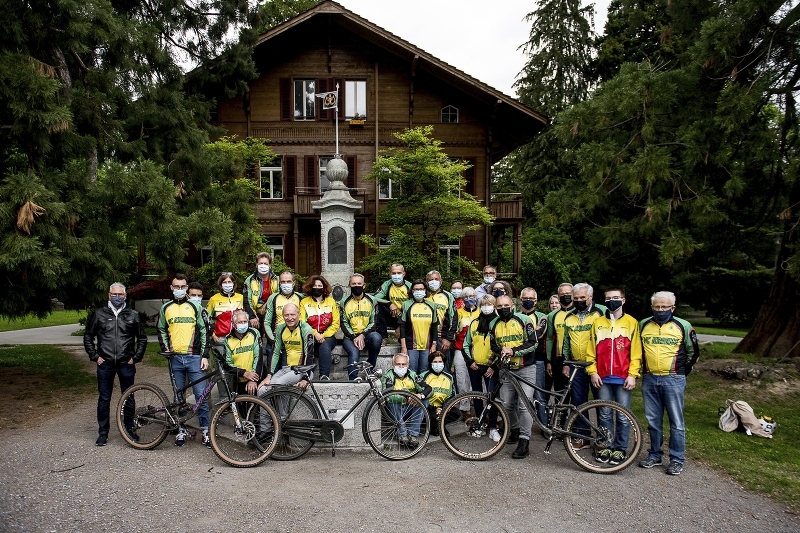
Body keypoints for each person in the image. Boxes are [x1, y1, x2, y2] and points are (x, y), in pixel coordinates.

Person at [638, 291, 699, 475]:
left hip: (673, 379)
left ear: (672, 307)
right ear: (652, 307)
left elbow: (693, 352)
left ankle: (676, 458)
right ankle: (655, 454)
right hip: (650, 378)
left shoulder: (683, 325)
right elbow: (638, 350)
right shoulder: (643, 324)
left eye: (664, 307)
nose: (660, 310)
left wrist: (682, 372)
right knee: (653, 420)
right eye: (657, 307)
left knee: (676, 421)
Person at [84, 282, 147, 446]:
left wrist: (136, 357)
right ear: (109, 295)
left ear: (125, 296)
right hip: (105, 363)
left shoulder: (132, 315)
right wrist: (95, 356)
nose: (117, 297)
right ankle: (103, 433)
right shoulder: (99, 314)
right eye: (114, 294)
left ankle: (128, 430)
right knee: (104, 398)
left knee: (128, 397)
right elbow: (88, 336)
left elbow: (142, 338)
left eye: (120, 295)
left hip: (126, 363)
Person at [585, 287, 642, 465]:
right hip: (602, 378)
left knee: (623, 416)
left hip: (623, 377)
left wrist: (633, 375)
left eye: (616, 298)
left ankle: (620, 448)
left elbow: (636, 352)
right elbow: (590, 350)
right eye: (608, 298)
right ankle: (606, 445)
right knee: (604, 414)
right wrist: (592, 372)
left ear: (623, 300)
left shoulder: (632, 323)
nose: (612, 301)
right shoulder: (598, 322)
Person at [157, 274, 211, 448]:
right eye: (176, 287)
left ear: (187, 288)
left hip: (194, 357)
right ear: (172, 288)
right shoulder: (166, 308)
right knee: (178, 398)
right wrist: (166, 349)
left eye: (183, 287)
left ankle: (205, 431)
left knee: (200, 397)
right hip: (176, 359)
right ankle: (181, 430)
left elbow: (204, 332)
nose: (180, 290)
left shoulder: (194, 307)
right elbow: (161, 330)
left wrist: (205, 355)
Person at [561, 283, 608, 449]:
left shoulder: (602, 312)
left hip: (597, 366)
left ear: (590, 297)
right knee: (579, 403)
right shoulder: (569, 317)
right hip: (577, 366)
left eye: (582, 298)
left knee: (601, 402)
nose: (579, 300)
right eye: (576, 298)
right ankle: (583, 436)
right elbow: (566, 342)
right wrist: (567, 363)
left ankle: (603, 438)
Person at [491, 294, 537, 459]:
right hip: (507, 370)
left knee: (524, 406)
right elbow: (493, 345)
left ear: (512, 305)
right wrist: (500, 351)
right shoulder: (493, 323)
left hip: (526, 368)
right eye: (499, 306)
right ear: (496, 308)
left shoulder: (524, 319)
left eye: (506, 305)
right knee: (507, 404)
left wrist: (513, 351)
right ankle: (516, 430)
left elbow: (533, 342)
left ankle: (524, 441)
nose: (503, 309)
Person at [462, 294, 500, 441]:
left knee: (492, 397)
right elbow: (466, 344)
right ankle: (479, 425)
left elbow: (502, 346)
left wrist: (495, 366)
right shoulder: (474, 323)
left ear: (494, 305)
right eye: (483, 304)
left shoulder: (498, 323)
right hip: (475, 366)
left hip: (491, 367)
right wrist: (470, 361)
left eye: (489, 303)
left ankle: (492, 427)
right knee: (477, 397)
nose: (486, 306)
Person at [257, 303, 316, 391]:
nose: (290, 318)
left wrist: (305, 378)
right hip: (286, 369)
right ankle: (268, 405)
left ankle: (282, 405)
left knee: (278, 386)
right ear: (283, 316)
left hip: (302, 370)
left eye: (292, 314)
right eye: (286, 315)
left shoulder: (306, 329)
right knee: (262, 389)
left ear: (299, 315)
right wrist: (269, 375)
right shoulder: (280, 329)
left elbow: (309, 354)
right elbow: (275, 353)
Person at [380, 353, 431, 447]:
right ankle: (402, 435)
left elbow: (429, 389)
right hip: (394, 411)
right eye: (398, 364)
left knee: (424, 401)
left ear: (408, 365)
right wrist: (407, 397)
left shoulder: (413, 375)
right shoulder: (388, 377)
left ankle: (413, 435)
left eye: (403, 364)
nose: (401, 366)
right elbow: (387, 395)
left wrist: (420, 396)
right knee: (393, 402)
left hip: (409, 409)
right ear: (393, 365)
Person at [339, 274, 383, 380]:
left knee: (377, 337)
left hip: (367, 335)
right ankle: (353, 378)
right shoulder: (343, 302)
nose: (356, 286)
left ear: (364, 285)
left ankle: (369, 368)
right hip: (350, 337)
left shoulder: (372, 300)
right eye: (354, 284)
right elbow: (343, 323)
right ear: (349, 285)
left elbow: (375, 322)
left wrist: (363, 335)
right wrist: (354, 337)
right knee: (354, 352)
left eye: (359, 283)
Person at [299, 275, 340, 380]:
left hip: (328, 335)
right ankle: (307, 376)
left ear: (324, 287)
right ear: (310, 287)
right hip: (310, 335)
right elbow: (302, 322)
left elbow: (336, 323)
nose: (317, 287)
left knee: (325, 347)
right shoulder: (304, 302)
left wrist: (323, 335)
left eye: (320, 285)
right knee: (308, 346)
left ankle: (324, 375)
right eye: (314, 285)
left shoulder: (331, 302)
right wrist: (315, 334)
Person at [519, 287, 548, 426]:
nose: (528, 301)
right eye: (525, 298)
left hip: (537, 360)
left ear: (536, 301)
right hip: (519, 361)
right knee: (520, 396)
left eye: (531, 298)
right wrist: (530, 335)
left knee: (539, 395)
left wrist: (522, 337)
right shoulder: (515, 316)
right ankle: (521, 426)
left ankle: (544, 425)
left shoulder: (542, 317)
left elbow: (539, 334)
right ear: (520, 300)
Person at [263, 270, 304, 367]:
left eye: (289, 281)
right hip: (276, 340)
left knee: (289, 375)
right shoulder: (273, 298)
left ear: (294, 283)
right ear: (279, 283)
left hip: (294, 341)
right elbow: (266, 322)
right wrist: (273, 341)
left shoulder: (301, 297)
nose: (286, 284)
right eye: (283, 282)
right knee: (272, 373)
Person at [399, 279, 439, 375]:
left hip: (427, 346)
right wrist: (403, 347)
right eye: (416, 289)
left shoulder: (432, 305)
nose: (419, 291)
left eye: (421, 289)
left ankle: (422, 390)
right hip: (411, 346)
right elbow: (402, 327)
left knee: (424, 373)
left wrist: (434, 345)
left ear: (425, 290)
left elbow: (434, 327)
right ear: (412, 291)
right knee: (411, 372)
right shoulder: (406, 304)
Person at [221, 309, 262, 395]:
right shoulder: (228, 339)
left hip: (254, 378)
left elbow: (258, 357)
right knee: (241, 406)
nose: (243, 324)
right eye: (240, 322)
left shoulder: (254, 333)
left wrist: (253, 379)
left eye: (245, 321)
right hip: (238, 379)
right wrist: (243, 373)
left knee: (257, 405)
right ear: (233, 324)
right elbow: (227, 364)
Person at [546, 283, 574, 405]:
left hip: (576, 358)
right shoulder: (552, 315)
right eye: (562, 294)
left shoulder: (578, 312)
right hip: (558, 358)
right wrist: (548, 361)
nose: (565, 296)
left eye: (568, 294)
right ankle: (561, 421)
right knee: (560, 392)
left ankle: (577, 421)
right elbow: (549, 339)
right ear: (558, 296)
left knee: (577, 393)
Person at [425, 270, 457, 367]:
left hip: (442, 338)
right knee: (426, 366)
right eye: (430, 280)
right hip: (424, 337)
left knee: (442, 366)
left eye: (436, 279)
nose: (433, 281)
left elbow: (454, 318)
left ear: (441, 281)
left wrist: (448, 338)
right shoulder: (423, 295)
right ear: (426, 282)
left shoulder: (448, 296)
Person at [452, 286, 478, 405]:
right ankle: (465, 408)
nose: (469, 299)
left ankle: (481, 407)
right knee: (462, 379)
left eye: (471, 296)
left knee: (480, 380)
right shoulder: (458, 312)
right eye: (466, 297)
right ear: (462, 299)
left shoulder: (481, 312)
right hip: (460, 349)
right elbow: (454, 330)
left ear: (476, 297)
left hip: (478, 349)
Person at [421, 351, 455, 436]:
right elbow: (421, 394)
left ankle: (441, 425)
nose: (437, 364)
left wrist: (443, 408)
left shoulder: (449, 377)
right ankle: (433, 426)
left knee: (456, 413)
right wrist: (434, 408)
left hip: (442, 406)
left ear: (443, 363)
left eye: (440, 362)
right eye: (435, 362)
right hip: (429, 407)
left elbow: (451, 396)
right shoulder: (423, 376)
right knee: (430, 415)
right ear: (430, 363)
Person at [243, 252, 279, 332]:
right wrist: (252, 317)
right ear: (256, 265)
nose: (263, 265)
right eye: (261, 263)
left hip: (273, 313)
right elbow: (246, 301)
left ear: (270, 265)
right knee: (253, 333)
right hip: (256, 313)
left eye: (265, 263)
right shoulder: (249, 280)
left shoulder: (277, 280)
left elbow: (279, 296)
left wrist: (268, 303)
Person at [373, 263, 411, 338]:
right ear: (390, 274)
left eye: (399, 273)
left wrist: (401, 326)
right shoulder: (387, 284)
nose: (396, 275)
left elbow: (415, 306)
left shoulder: (410, 286)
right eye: (394, 273)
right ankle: (383, 337)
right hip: (392, 314)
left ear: (404, 274)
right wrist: (389, 304)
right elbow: (374, 298)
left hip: (406, 317)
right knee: (378, 306)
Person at [206, 272, 244, 341]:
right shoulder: (213, 299)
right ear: (220, 284)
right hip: (220, 337)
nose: (227, 284)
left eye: (229, 282)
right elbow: (206, 318)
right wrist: (213, 335)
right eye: (224, 282)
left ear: (233, 283)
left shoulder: (240, 297)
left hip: (238, 336)